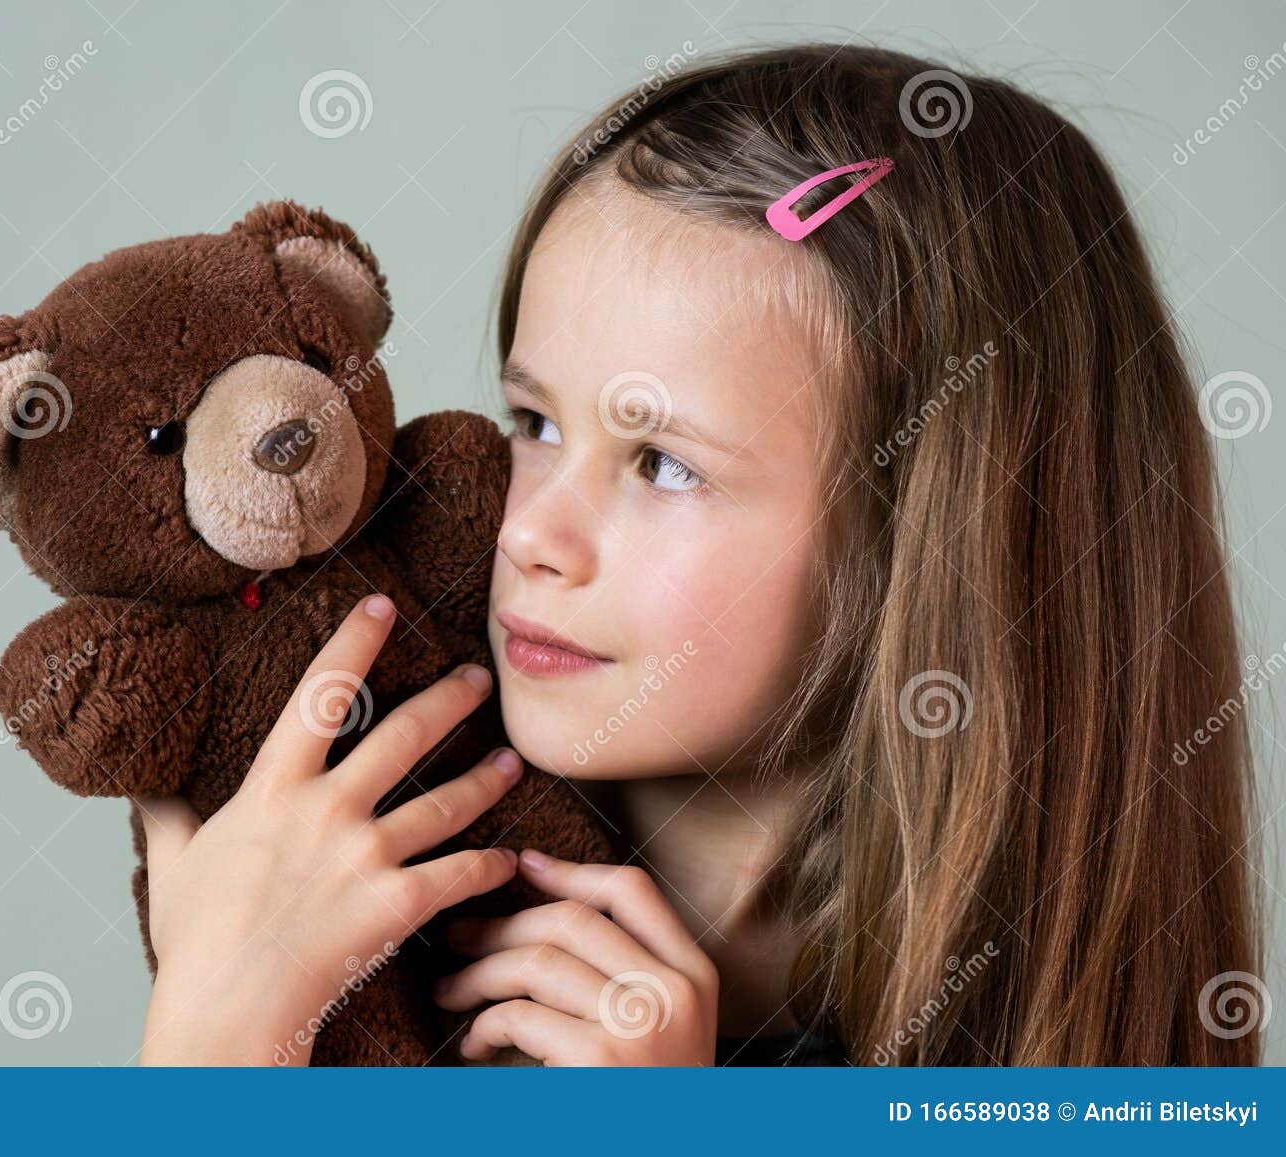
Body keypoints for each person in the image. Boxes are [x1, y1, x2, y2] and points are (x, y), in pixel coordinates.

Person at [138, 43, 1261, 1066]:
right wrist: (223, 1021)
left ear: (932, 541)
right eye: (533, 424)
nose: (528, 534)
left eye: (664, 464)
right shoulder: (344, 868)